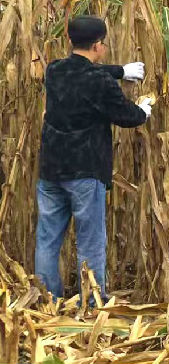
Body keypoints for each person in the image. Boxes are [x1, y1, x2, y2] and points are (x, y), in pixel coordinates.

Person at [37, 16, 151, 299]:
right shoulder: (99, 81)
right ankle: (91, 303)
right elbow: (127, 117)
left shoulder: (53, 71)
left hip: (51, 170)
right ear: (98, 45)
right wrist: (144, 111)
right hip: (85, 173)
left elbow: (82, 73)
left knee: (48, 239)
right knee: (90, 242)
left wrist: (120, 71)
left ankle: (46, 301)